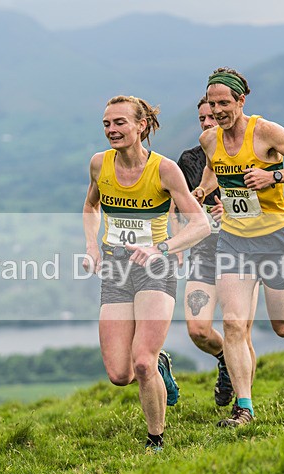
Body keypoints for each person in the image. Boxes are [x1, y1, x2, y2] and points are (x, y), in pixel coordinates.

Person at [195, 67, 284, 427]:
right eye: (211, 103)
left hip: (275, 238)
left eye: (224, 102)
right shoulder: (210, 139)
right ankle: (245, 408)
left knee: (283, 325)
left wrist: (273, 176)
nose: (218, 110)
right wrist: (203, 191)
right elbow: (212, 169)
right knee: (234, 323)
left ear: (241, 100)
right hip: (234, 240)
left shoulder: (265, 131)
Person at [82, 95, 209, 451]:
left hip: (156, 266)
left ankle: (156, 440)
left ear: (141, 126)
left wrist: (163, 247)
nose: (111, 130)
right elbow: (90, 206)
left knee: (141, 362)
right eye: (107, 123)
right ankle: (160, 364)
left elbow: (200, 224)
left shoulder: (165, 169)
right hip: (116, 269)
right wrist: (92, 246)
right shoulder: (99, 165)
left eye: (120, 122)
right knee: (119, 374)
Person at [172, 96, 259, 407]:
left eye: (212, 116)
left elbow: (267, 208)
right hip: (204, 254)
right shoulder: (189, 160)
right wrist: (177, 241)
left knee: (239, 330)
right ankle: (224, 358)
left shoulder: (250, 153)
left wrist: (235, 212)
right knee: (198, 329)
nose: (208, 123)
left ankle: (243, 404)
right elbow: (175, 205)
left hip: (243, 251)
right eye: (202, 119)